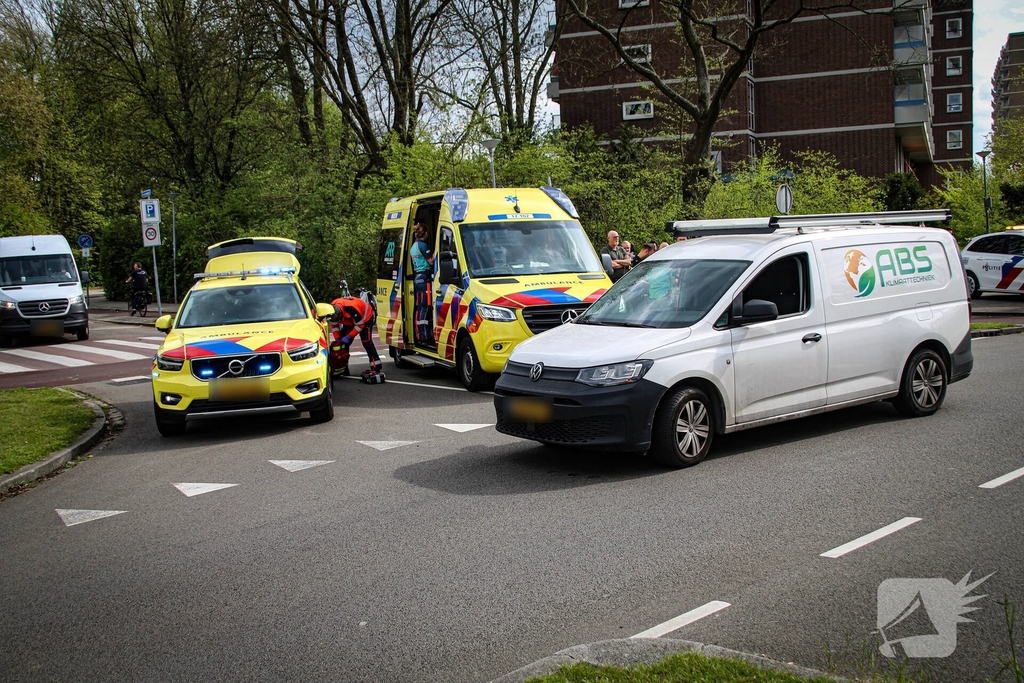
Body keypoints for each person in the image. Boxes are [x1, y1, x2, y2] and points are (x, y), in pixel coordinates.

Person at [330, 295, 382, 378]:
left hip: (365, 317)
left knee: (366, 341)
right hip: (350, 321)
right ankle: (343, 368)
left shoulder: (351, 308)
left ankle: (376, 366)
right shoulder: (331, 310)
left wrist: (349, 336)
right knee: (342, 345)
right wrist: (338, 338)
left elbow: (360, 325)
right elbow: (334, 326)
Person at [410, 219, 435, 346]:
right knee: (425, 306)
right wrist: (438, 251)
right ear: (424, 233)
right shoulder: (423, 245)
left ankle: (419, 333)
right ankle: (425, 335)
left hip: (418, 277)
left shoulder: (413, 246)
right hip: (425, 278)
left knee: (420, 306)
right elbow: (431, 261)